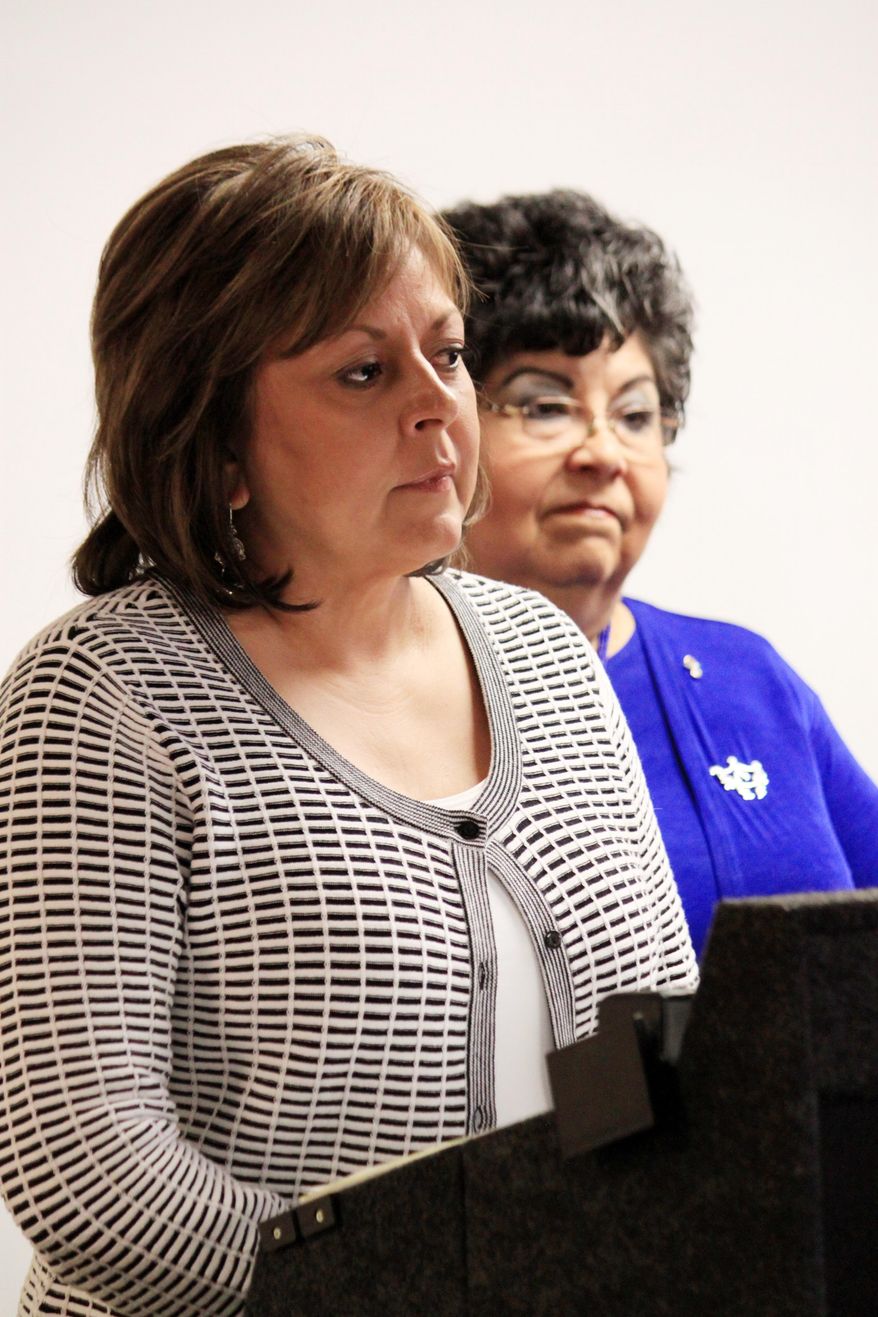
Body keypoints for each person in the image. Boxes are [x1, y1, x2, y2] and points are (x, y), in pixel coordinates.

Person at [0, 141, 697, 1316]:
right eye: (364, 374)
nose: (441, 407)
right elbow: (94, 1175)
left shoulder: (541, 656)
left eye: (449, 354)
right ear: (216, 438)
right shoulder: (104, 694)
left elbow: (648, 1054)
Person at [442, 189, 878, 960]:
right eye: (547, 406)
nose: (604, 453)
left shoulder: (749, 678)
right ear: (443, 428)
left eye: (637, 415)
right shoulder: (382, 693)